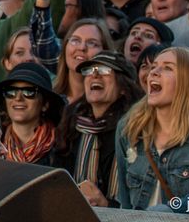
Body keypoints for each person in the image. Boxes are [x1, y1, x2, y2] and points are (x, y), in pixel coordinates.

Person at [114, 48, 189, 212]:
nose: (154, 72)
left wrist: (166, 212)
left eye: (167, 68)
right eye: (154, 67)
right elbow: (124, 202)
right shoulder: (129, 127)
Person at [54, 51, 142, 207]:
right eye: (89, 71)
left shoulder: (135, 131)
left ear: (123, 87)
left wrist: (106, 205)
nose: (94, 75)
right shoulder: (71, 128)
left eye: (104, 70)